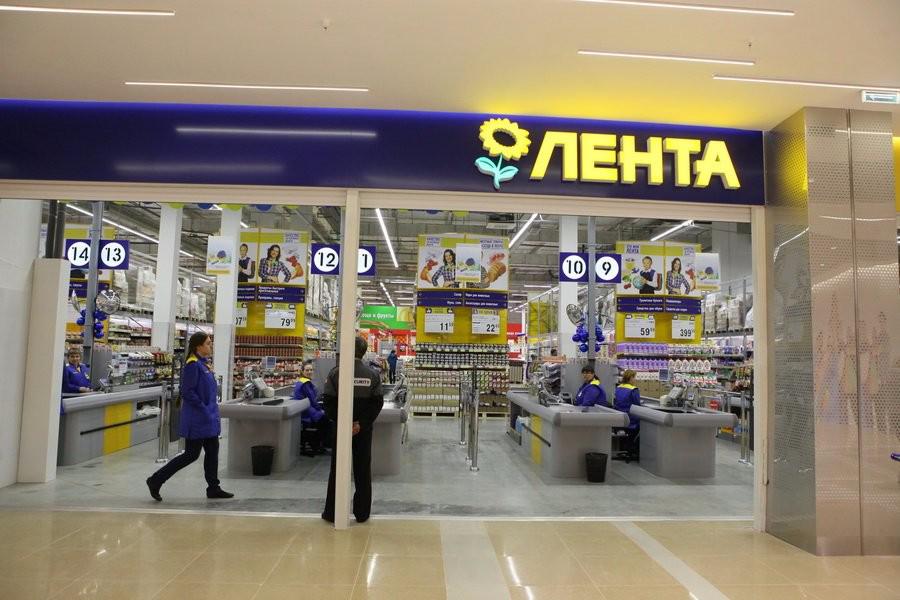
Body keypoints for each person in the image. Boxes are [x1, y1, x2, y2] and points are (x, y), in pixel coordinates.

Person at [146, 332, 233, 502]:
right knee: (191, 454)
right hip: (198, 418)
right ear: (198, 346)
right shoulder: (193, 365)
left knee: (212, 451)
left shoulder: (204, 364)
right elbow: (187, 392)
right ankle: (155, 480)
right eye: (208, 343)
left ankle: (213, 488)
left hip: (209, 417)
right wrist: (203, 408)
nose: (211, 346)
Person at [322, 336, 384, 524]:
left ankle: (332, 512)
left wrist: (343, 422)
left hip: (341, 429)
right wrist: (360, 424)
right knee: (362, 469)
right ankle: (362, 513)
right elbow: (377, 403)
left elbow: (328, 402)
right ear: (364, 352)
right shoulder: (373, 375)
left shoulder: (336, 373)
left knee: (337, 469)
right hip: (363, 431)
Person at [294, 360, 331, 455]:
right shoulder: (306, 383)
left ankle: (316, 443)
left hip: (302, 410)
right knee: (327, 420)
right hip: (308, 412)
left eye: (311, 370)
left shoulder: (300, 382)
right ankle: (317, 444)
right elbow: (312, 401)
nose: (310, 372)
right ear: (302, 371)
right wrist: (320, 410)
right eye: (307, 370)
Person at [614, 369, 641, 455]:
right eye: (634, 377)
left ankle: (627, 448)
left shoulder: (618, 388)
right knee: (645, 425)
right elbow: (637, 405)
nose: (635, 379)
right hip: (631, 420)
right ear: (631, 378)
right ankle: (634, 450)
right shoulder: (633, 390)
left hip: (620, 418)